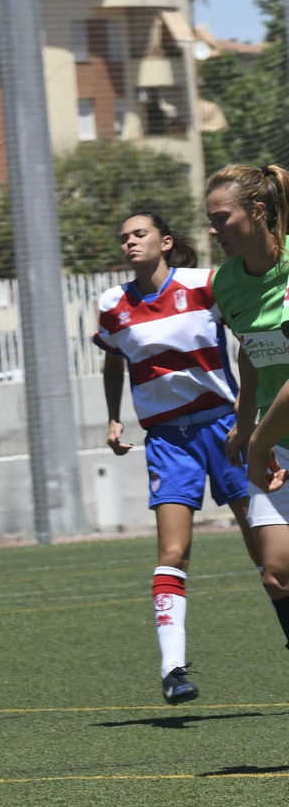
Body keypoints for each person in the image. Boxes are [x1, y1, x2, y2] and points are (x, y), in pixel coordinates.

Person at [95, 210, 260, 704]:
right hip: (167, 440)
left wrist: (248, 406)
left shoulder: (206, 284)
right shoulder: (113, 304)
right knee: (172, 553)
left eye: (139, 234)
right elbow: (113, 361)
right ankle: (173, 670)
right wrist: (112, 416)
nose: (129, 242)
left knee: (267, 551)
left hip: (225, 430)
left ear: (166, 242)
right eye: (123, 237)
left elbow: (247, 341)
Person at [210, 164, 289, 654]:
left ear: (258, 211)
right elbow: (250, 346)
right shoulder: (227, 282)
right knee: (277, 575)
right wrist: (244, 421)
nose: (213, 230)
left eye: (222, 219)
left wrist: (257, 443)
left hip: (270, 445)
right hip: (278, 444)